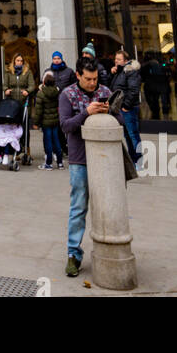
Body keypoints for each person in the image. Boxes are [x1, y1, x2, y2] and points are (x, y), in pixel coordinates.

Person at [60, 55, 130, 278]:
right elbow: (66, 126)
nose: (93, 83)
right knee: (78, 206)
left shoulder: (105, 92)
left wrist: (110, 111)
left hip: (106, 159)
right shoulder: (67, 95)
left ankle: (109, 247)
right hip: (80, 159)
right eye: (88, 79)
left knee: (109, 204)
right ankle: (73, 254)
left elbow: (120, 122)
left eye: (95, 79)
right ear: (78, 75)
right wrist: (86, 113)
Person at [110, 50, 143, 164]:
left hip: (128, 109)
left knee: (133, 135)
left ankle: (138, 160)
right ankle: (133, 159)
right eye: (115, 59)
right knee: (127, 136)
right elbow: (113, 87)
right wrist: (113, 72)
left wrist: (126, 106)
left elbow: (134, 90)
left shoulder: (131, 71)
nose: (116, 61)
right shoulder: (120, 71)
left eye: (118, 59)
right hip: (121, 108)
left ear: (125, 61)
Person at [34, 70, 63, 170]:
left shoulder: (41, 94)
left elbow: (38, 111)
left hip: (45, 122)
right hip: (55, 120)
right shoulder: (57, 92)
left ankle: (49, 163)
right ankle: (60, 163)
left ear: (44, 82)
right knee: (56, 140)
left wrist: (36, 123)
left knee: (48, 142)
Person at [141, 51, 171, 119]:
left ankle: (156, 114)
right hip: (160, 84)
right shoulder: (162, 63)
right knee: (162, 100)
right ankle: (164, 113)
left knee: (154, 100)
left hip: (152, 85)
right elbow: (167, 72)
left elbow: (143, 74)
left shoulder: (147, 64)